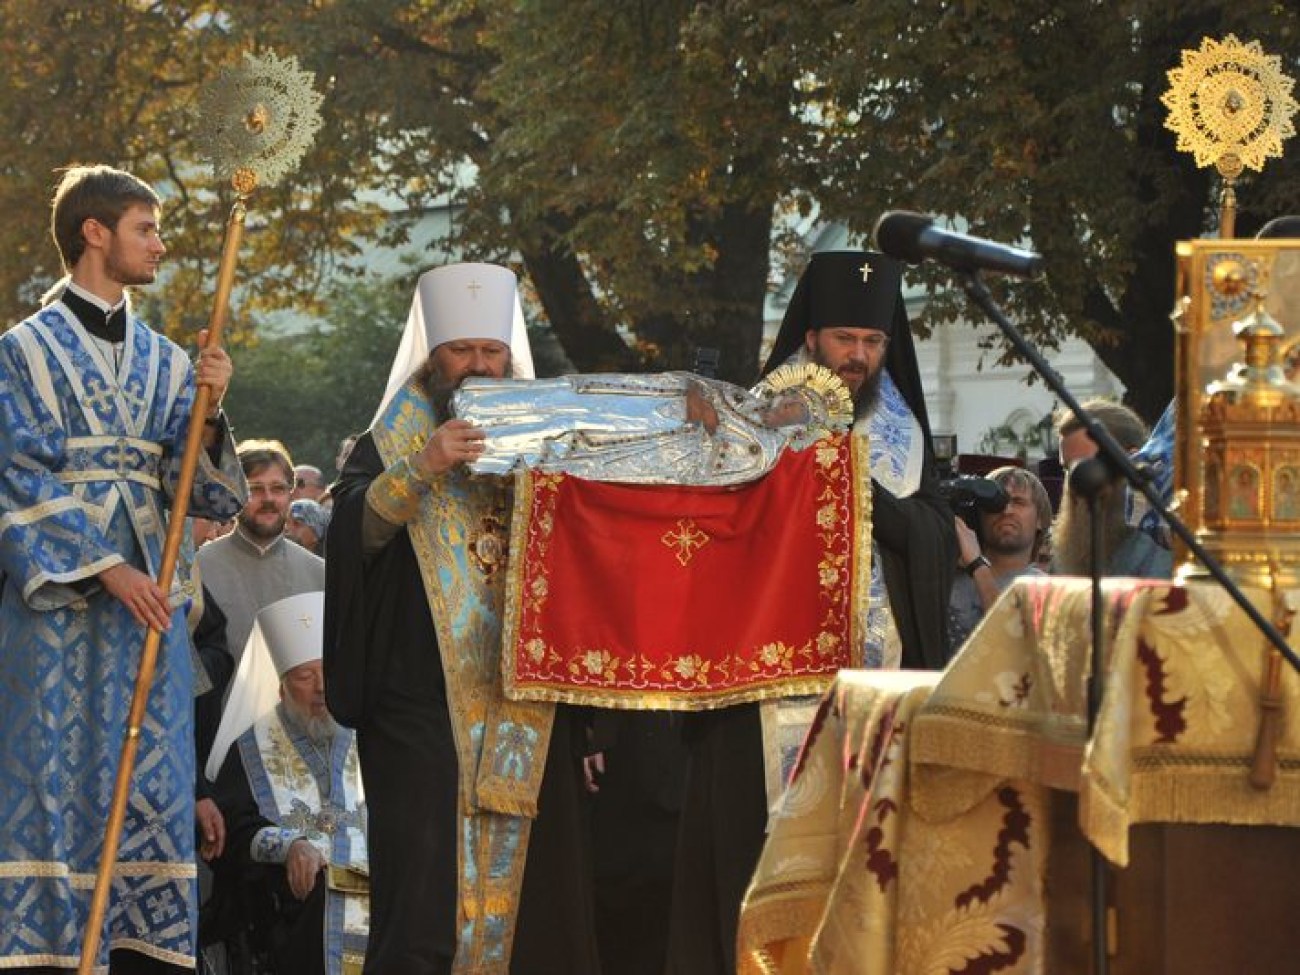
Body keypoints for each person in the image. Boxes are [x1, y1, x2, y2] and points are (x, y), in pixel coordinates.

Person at [665, 250, 957, 975]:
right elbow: (711, 545)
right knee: (746, 868)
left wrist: (857, 485)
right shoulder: (752, 423)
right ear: (810, 340)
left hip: (871, 699)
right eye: (844, 340)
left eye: (872, 343)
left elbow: (930, 542)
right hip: (758, 698)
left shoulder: (906, 441)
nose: (857, 358)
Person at [0, 164, 246, 973]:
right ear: (94, 233)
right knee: (51, 773)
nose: (161, 244)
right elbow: (15, 474)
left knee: (151, 779)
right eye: (147, 227)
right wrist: (108, 568)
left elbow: (202, 490)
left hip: (153, 611)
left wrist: (211, 413)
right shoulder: (20, 352)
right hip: (61, 610)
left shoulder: (173, 361)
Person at [324, 263, 599, 975]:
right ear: (432, 355)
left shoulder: (543, 437)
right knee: (424, 900)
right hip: (419, 707)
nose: (479, 364)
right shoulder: (391, 438)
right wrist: (423, 465)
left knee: (539, 907)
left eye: (491, 350)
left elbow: (581, 566)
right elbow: (351, 536)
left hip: (525, 704)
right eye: (462, 350)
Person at [209, 592, 367, 975]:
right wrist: (288, 846)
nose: (321, 687)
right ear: (280, 686)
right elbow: (231, 832)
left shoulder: (371, 740)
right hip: (289, 913)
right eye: (304, 676)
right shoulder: (250, 749)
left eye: (327, 672)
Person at [198, 439, 326, 668]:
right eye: (255, 489)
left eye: (278, 488)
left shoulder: (319, 573)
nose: (268, 499)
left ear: (291, 494)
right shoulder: (198, 570)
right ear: (234, 492)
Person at [1051, 400, 1173, 577]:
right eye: (1069, 470)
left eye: (1087, 465)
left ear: (1133, 459)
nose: (1077, 482)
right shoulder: (1071, 548)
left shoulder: (1167, 538)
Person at [947, 466, 1052, 650]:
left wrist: (977, 565)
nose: (1006, 510)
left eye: (1018, 502)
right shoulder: (947, 576)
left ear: (1040, 520)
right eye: (995, 503)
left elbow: (1012, 642)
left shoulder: (1043, 587)